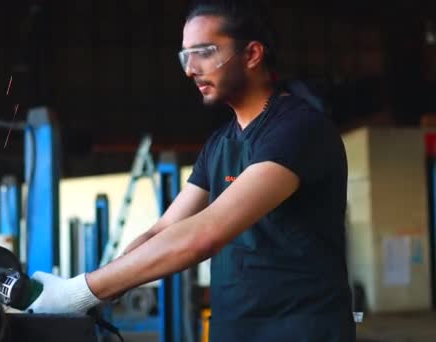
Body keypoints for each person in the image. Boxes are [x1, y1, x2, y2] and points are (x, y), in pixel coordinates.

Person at [28, 2, 355, 341]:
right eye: (185, 56)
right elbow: (164, 229)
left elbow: (204, 235)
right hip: (234, 330)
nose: (190, 69)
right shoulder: (219, 143)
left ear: (253, 54)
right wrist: (108, 284)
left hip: (300, 331)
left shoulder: (298, 129)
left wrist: (78, 292)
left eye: (203, 52)